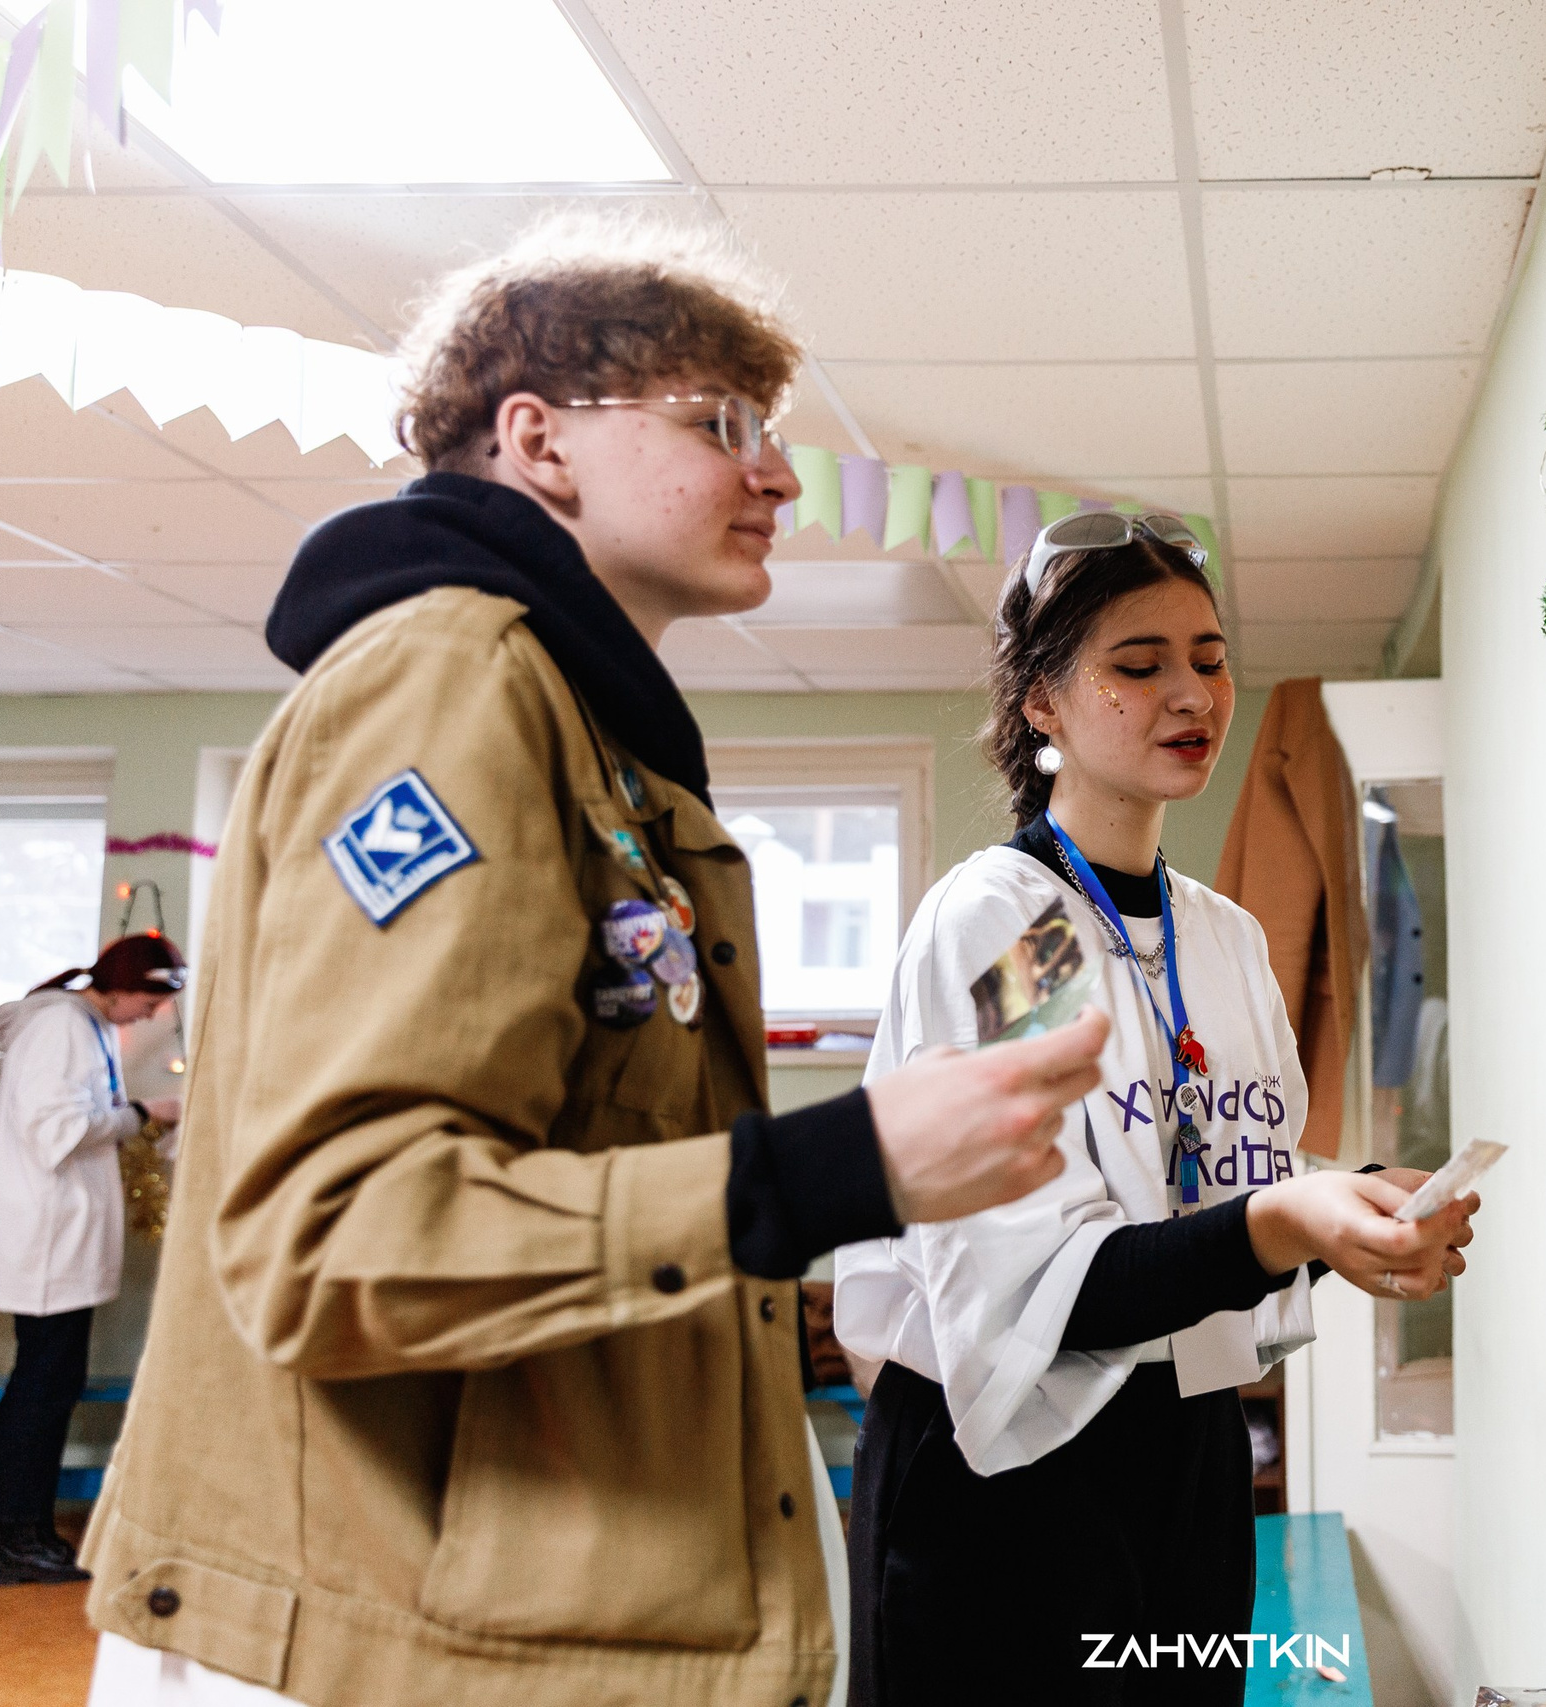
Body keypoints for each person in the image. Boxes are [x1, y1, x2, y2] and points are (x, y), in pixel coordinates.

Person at [76, 215, 1109, 1707]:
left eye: (776, 433)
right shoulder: (451, 679)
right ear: (537, 439)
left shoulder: (589, 730)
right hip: (367, 1634)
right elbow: (342, 1233)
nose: (775, 473)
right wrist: (842, 1165)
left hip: (503, 1606)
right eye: (722, 424)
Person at [834, 512, 1482, 1704]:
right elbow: (1046, 1283)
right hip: (1007, 1467)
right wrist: (1289, 1223)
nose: (1192, 693)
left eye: (1210, 656)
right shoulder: (1013, 925)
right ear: (1041, 704)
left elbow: (1209, 1211)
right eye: (1138, 666)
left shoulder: (1222, 938)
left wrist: (1349, 1216)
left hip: (1182, 1447)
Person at [0, 933, 184, 1586]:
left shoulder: (73, 1023)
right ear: (120, 984)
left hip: (41, 1234)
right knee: (48, 1385)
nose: (150, 1016)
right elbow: (57, 1128)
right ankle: (23, 1536)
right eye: (148, 1001)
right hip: (44, 1237)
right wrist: (143, 1112)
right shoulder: (64, 1030)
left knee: (36, 1380)